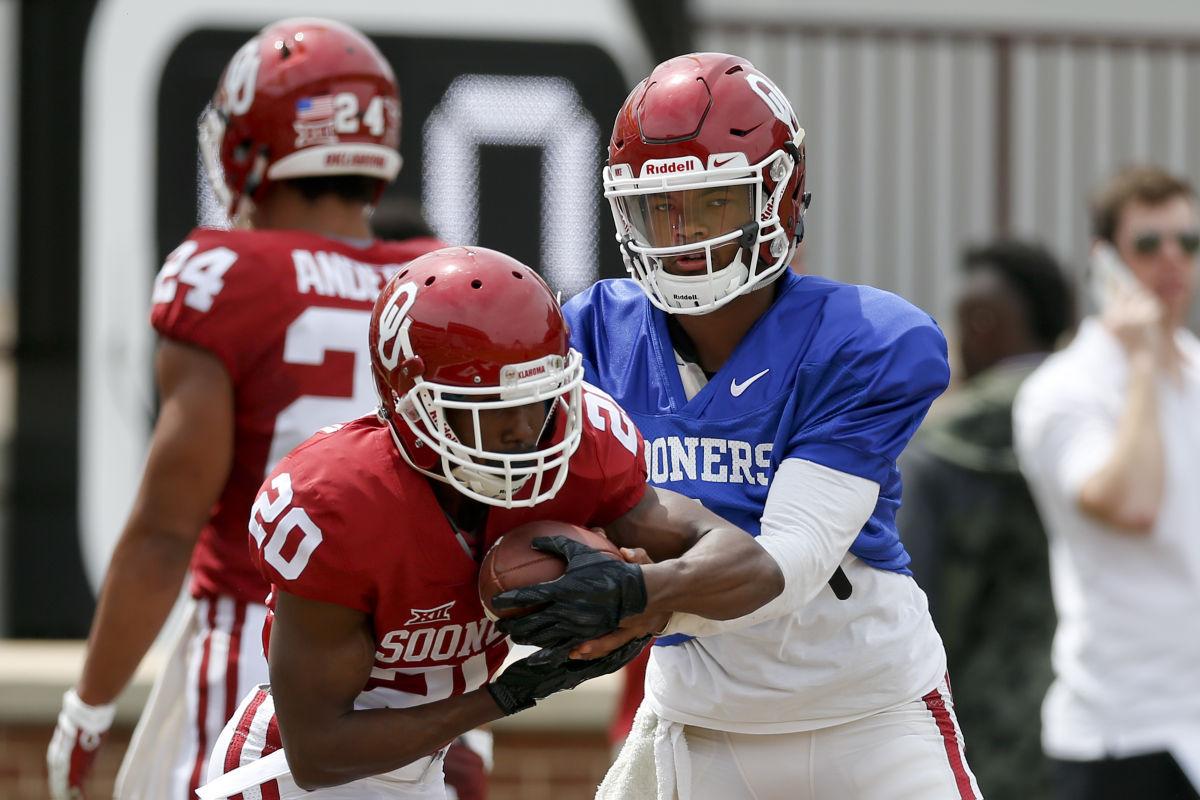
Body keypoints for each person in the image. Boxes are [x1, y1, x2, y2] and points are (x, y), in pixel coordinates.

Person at [493, 52, 982, 799]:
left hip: (866, 718)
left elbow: (785, 566)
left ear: (778, 193)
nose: (683, 237)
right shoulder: (591, 332)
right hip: (698, 719)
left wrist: (632, 594)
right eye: (662, 210)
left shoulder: (865, 337)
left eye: (712, 203)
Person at [199, 245, 790, 799]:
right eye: (487, 409)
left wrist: (642, 590)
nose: (520, 432)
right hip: (288, 780)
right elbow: (319, 751)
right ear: (412, 405)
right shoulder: (339, 501)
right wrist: (509, 694)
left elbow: (753, 567)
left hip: (420, 769)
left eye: (536, 399)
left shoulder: (584, 451)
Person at [46, 19, 446, 800]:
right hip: (415, 671)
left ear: (253, 142)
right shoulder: (437, 281)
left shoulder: (224, 273)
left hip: (257, 652)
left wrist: (88, 706)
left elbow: (165, 534)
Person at [1013, 165, 1200, 800]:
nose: (1172, 259)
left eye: (1188, 243)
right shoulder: (1063, 390)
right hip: (1119, 734)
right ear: (1106, 264)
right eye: (1148, 244)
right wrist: (1145, 359)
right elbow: (1133, 502)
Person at [899, 240, 1076, 800]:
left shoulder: (933, 451)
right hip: (1105, 730)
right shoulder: (1113, 426)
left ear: (981, 321)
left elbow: (908, 609)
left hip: (979, 739)